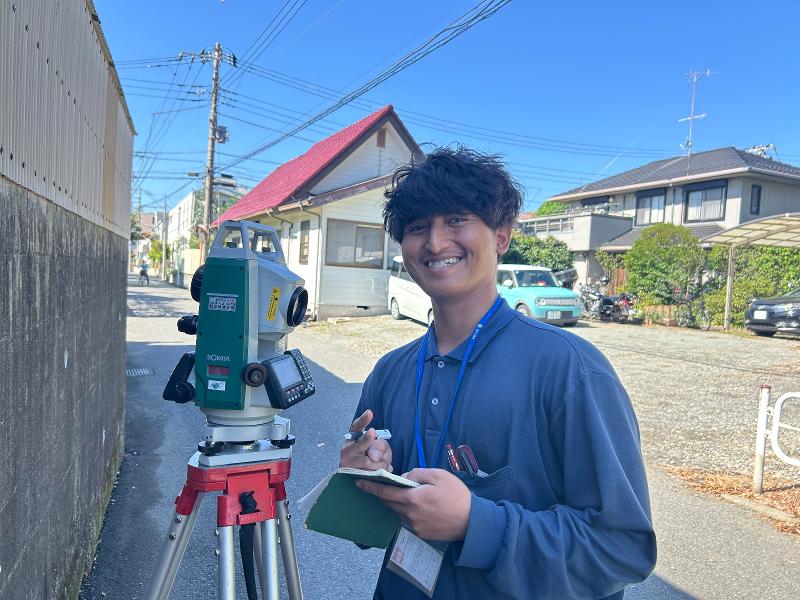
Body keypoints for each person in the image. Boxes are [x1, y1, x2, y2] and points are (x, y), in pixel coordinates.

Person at [339, 147, 656, 599]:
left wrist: (475, 523)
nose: (435, 242)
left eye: (456, 219)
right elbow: (367, 533)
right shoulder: (390, 372)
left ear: (502, 235)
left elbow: (622, 547)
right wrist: (358, 484)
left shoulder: (570, 369)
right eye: (417, 227)